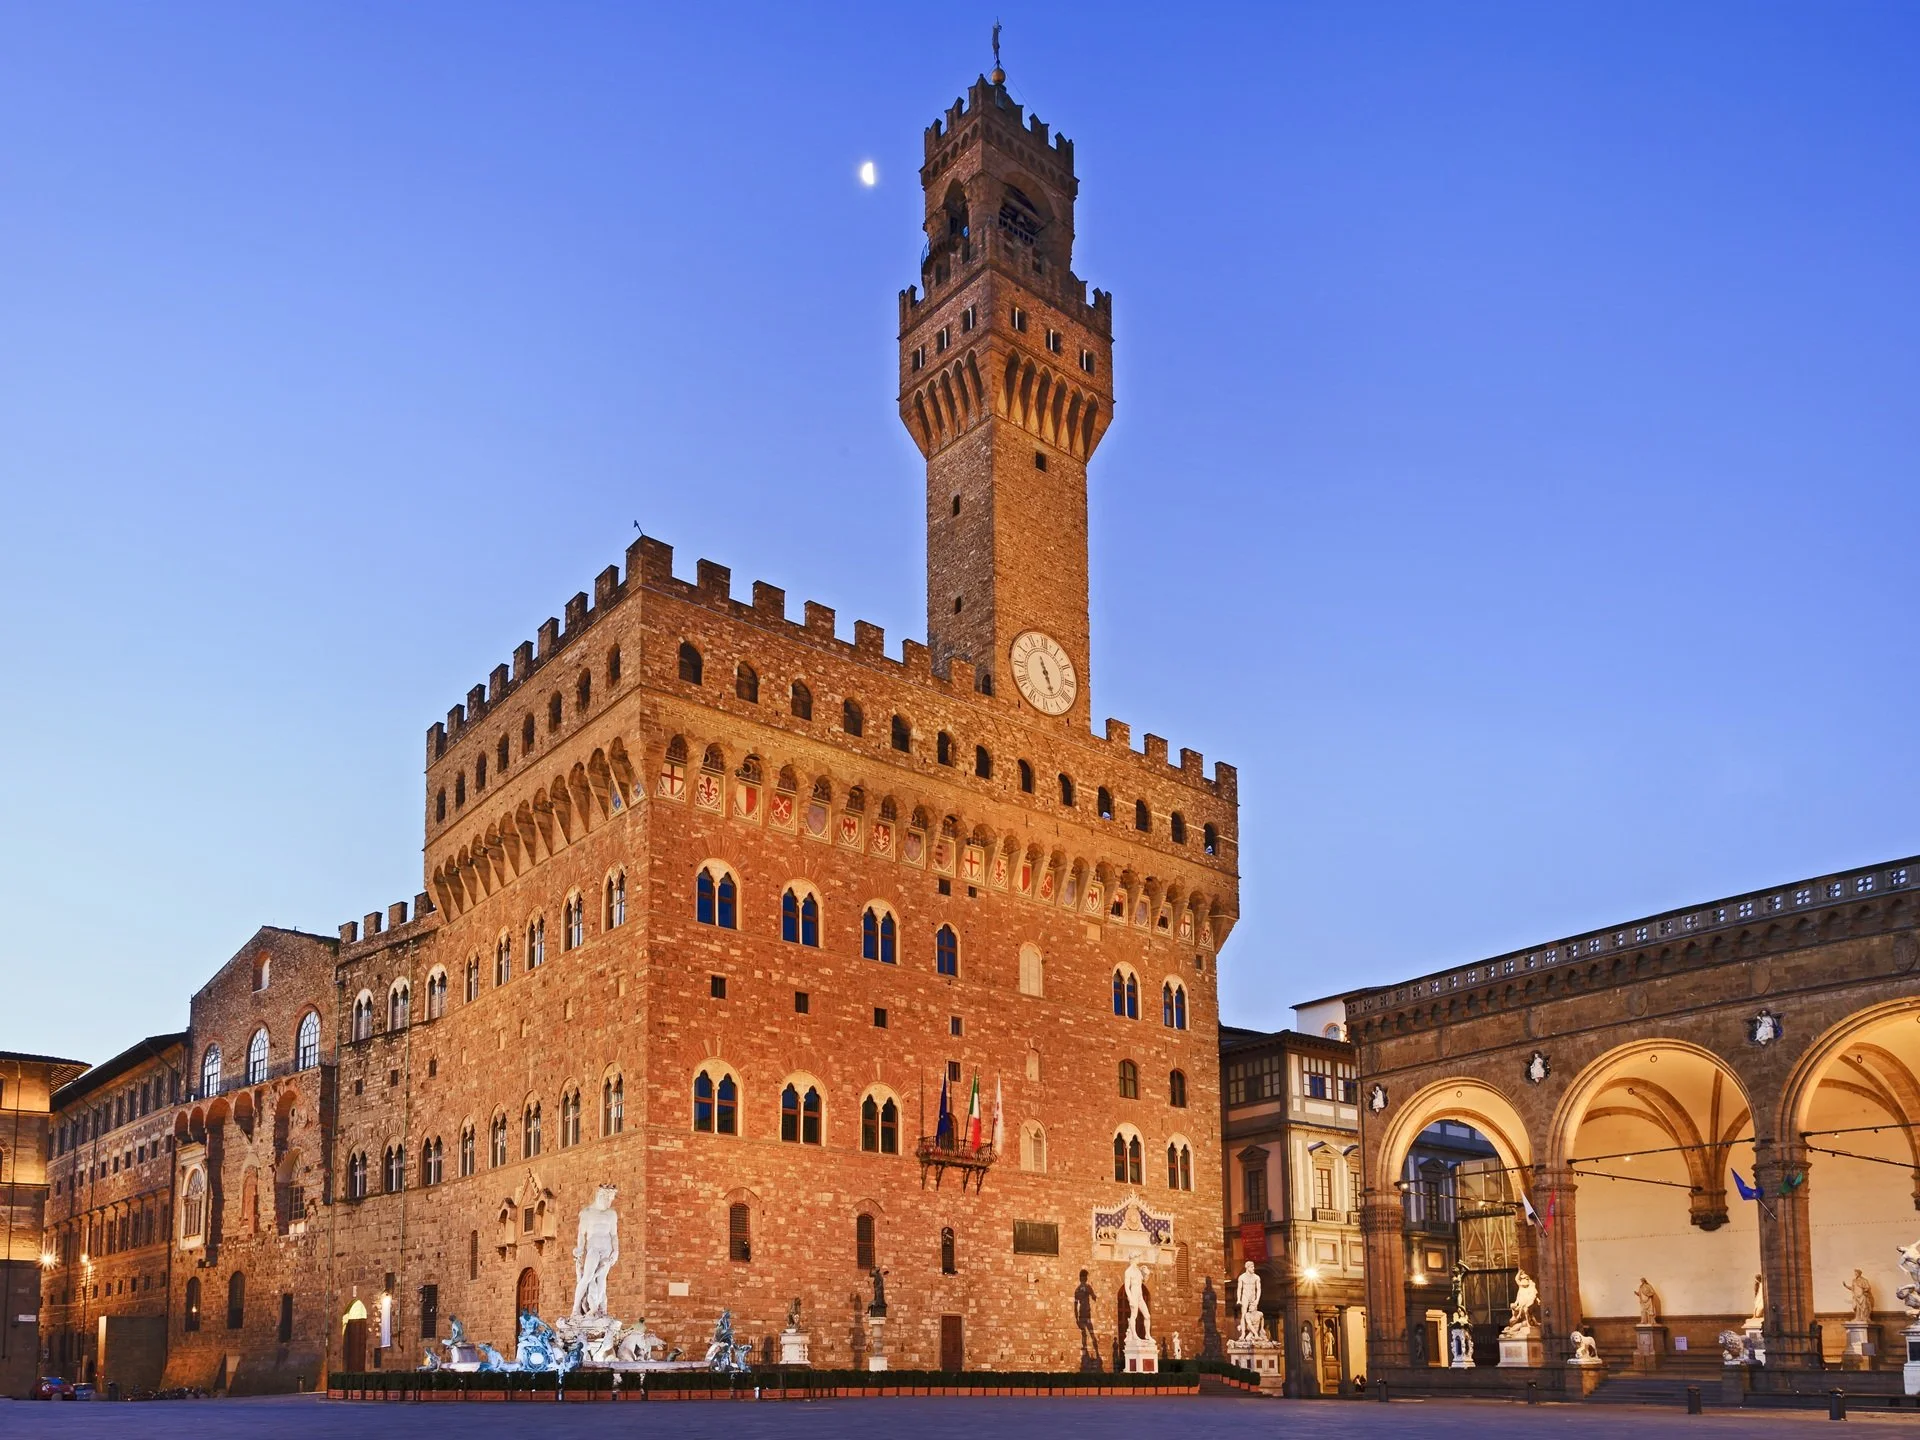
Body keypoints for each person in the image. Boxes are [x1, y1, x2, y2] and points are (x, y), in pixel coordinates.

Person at [570, 1184, 620, 1317]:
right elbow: (581, 1234)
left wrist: (616, 1251)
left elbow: (614, 1235)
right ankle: (575, 1309)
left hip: (607, 1248)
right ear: (600, 1196)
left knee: (602, 1279)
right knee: (587, 1277)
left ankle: (602, 1310)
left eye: (611, 1200)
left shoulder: (612, 1214)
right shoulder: (587, 1213)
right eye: (608, 1199)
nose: (610, 1203)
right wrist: (580, 1248)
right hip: (593, 1248)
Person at [1073, 1270, 1098, 1357]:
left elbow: (1075, 1305)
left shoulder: (1077, 1290)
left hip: (1081, 1314)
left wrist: (1076, 1318)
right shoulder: (1087, 1287)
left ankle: (1085, 1350)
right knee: (1091, 1333)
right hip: (1086, 1314)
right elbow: (1094, 1297)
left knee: (1084, 1333)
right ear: (1085, 1278)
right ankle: (1097, 1353)